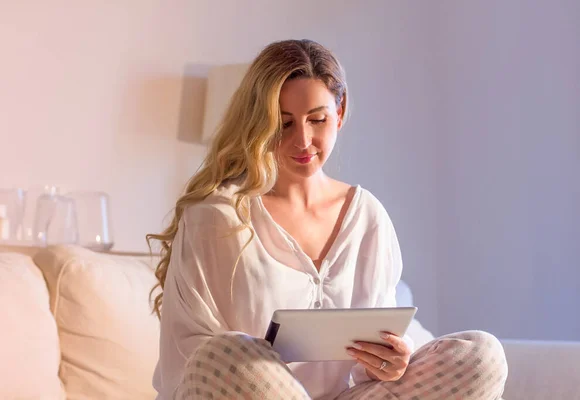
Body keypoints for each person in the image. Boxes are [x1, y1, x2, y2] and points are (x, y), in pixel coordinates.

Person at [148, 39, 507, 400]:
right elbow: (191, 365)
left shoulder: (367, 218)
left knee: (481, 356)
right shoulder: (218, 217)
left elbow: (368, 369)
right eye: (283, 124)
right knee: (227, 354)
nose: (303, 140)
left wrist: (386, 364)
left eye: (316, 119)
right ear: (259, 123)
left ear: (340, 110)